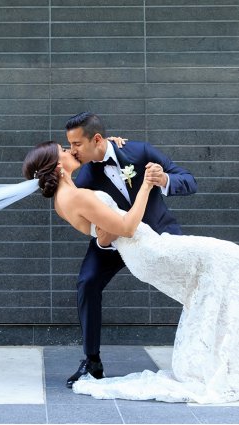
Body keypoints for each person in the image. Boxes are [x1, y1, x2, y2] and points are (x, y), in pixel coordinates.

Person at [22, 140, 239, 403]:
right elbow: (124, 228)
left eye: (73, 145)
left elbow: (104, 230)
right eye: (65, 150)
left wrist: (105, 233)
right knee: (228, 256)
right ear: (59, 166)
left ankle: (218, 356)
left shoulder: (63, 200)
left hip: (146, 247)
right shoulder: (78, 194)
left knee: (220, 268)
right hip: (149, 249)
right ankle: (218, 361)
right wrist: (146, 186)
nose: (71, 150)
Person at [59, 112, 197, 389]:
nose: (72, 150)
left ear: (97, 139)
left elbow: (189, 180)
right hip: (114, 240)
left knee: (193, 280)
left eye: (76, 144)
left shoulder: (139, 151)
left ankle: (199, 350)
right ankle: (92, 360)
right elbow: (94, 225)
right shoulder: (83, 177)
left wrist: (164, 181)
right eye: (69, 146)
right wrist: (103, 241)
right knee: (87, 282)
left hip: (158, 232)